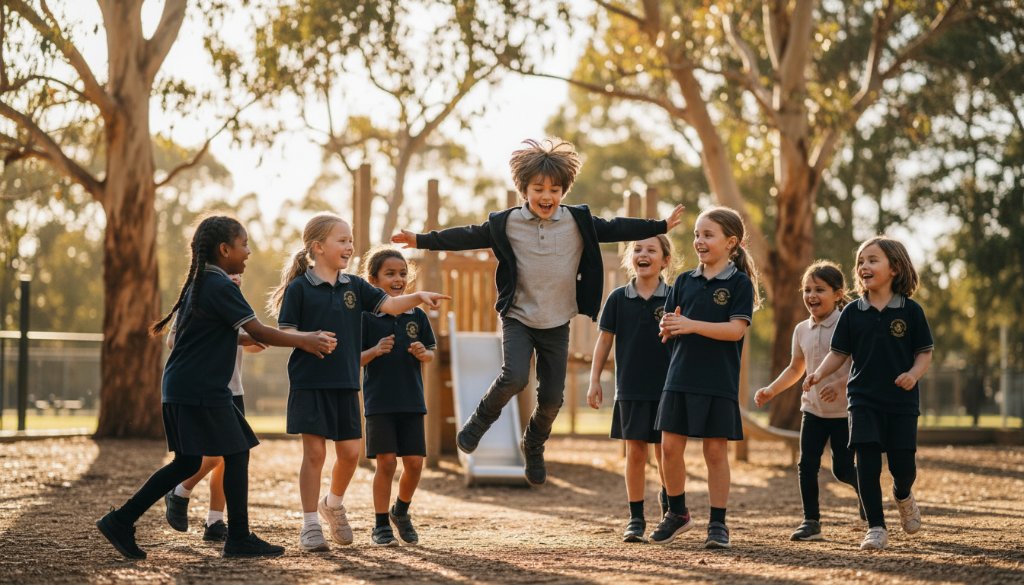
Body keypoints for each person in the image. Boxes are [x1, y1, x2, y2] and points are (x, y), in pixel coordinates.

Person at [393, 138, 684, 486]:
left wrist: (660, 226)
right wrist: (420, 240)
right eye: (538, 188)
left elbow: (617, 227)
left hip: (557, 320)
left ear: (564, 190)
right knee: (515, 376)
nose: (547, 196)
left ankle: (533, 443)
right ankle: (480, 420)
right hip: (518, 315)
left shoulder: (578, 221)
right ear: (524, 189)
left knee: (551, 399)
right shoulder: (507, 222)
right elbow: (467, 236)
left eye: (555, 189)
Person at [96, 215, 337, 559]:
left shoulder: (201, 283)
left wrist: (245, 339)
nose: (248, 252)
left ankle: (121, 520)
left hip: (182, 387)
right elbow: (259, 331)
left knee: (187, 462)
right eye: (244, 245)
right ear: (224, 250)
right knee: (235, 450)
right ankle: (238, 537)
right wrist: (306, 340)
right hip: (201, 389)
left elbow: (216, 335)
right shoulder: (220, 285)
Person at [268, 214, 448, 553]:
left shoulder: (356, 286)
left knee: (350, 454)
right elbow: (285, 332)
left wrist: (419, 296)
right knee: (315, 454)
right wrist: (310, 339)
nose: (350, 246)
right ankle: (310, 525)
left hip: (346, 384)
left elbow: (392, 305)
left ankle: (332, 504)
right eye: (342, 240)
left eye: (351, 240)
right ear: (318, 247)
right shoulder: (299, 289)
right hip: (310, 382)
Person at [805, 236, 933, 551]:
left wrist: (913, 375)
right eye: (861, 261)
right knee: (867, 463)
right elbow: (839, 353)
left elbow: (924, 352)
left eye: (873, 260)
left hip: (901, 402)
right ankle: (876, 527)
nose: (864, 266)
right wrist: (820, 373)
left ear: (895, 268)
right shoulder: (852, 313)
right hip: (862, 399)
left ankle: (903, 495)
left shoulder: (911, 311)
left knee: (903, 468)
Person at [650, 206, 760, 549]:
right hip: (679, 376)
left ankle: (718, 524)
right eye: (697, 234)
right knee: (669, 448)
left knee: (715, 453)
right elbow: (669, 323)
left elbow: (735, 331)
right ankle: (678, 513)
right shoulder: (683, 281)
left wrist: (691, 325)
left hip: (718, 381)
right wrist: (667, 328)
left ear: (731, 242)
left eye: (707, 235)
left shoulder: (739, 284)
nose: (699, 240)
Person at [754, 261, 862, 542]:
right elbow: (795, 368)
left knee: (842, 469)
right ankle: (811, 522)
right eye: (807, 289)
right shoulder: (802, 329)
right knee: (807, 464)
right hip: (812, 409)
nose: (812, 295)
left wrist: (840, 385)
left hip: (843, 412)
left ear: (838, 294)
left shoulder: (848, 323)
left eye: (820, 290)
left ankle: (866, 493)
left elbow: (860, 364)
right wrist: (771, 390)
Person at [163, 273, 267, 542]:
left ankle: (215, 521)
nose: (236, 278)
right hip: (207, 389)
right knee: (214, 456)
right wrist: (233, 337)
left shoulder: (237, 303)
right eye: (231, 273)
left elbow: (252, 344)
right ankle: (180, 491)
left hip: (234, 389)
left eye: (240, 275)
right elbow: (173, 340)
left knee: (227, 460)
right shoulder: (197, 298)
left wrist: (256, 340)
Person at [587, 235, 675, 543]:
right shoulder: (617, 299)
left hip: (668, 389)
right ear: (630, 257)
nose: (643, 253)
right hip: (631, 388)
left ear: (665, 260)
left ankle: (671, 511)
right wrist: (595, 379)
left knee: (666, 453)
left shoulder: (676, 296)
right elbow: (604, 341)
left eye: (652, 250)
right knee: (635, 452)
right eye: (637, 249)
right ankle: (636, 518)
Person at [359, 246, 436, 546]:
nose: (398, 279)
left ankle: (400, 511)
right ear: (372, 279)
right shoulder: (366, 317)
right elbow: (355, 359)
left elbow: (429, 353)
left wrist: (423, 353)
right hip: (379, 402)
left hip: (412, 401)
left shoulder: (417, 315)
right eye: (390, 273)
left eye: (403, 273)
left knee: (415, 463)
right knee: (387, 462)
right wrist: (375, 351)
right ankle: (380, 524)